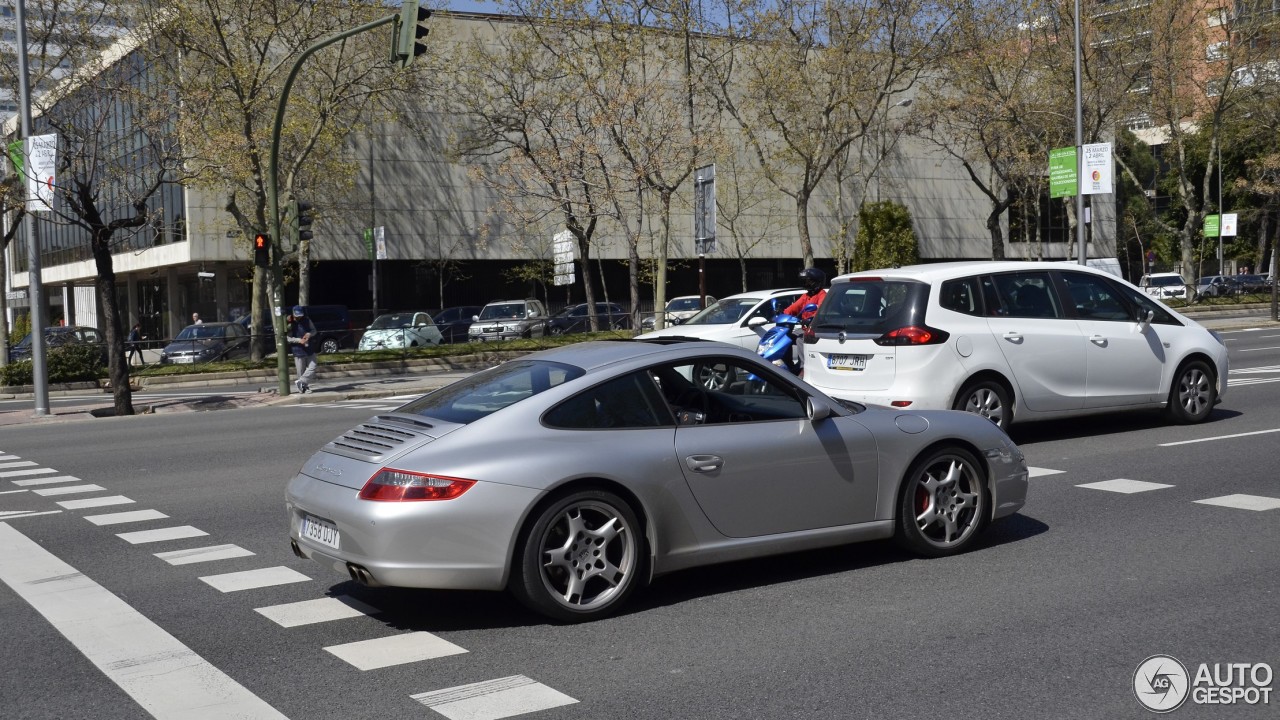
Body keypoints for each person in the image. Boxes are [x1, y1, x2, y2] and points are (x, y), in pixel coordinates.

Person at [288, 305, 318, 394]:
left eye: (300, 315)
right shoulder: (289, 323)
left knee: (313, 366)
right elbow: (287, 338)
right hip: (298, 350)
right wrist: (298, 340)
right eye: (297, 316)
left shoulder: (307, 320)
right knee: (300, 370)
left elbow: (314, 330)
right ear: (293, 314)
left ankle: (301, 382)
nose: (299, 317)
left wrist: (309, 334)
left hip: (309, 347)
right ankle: (303, 387)